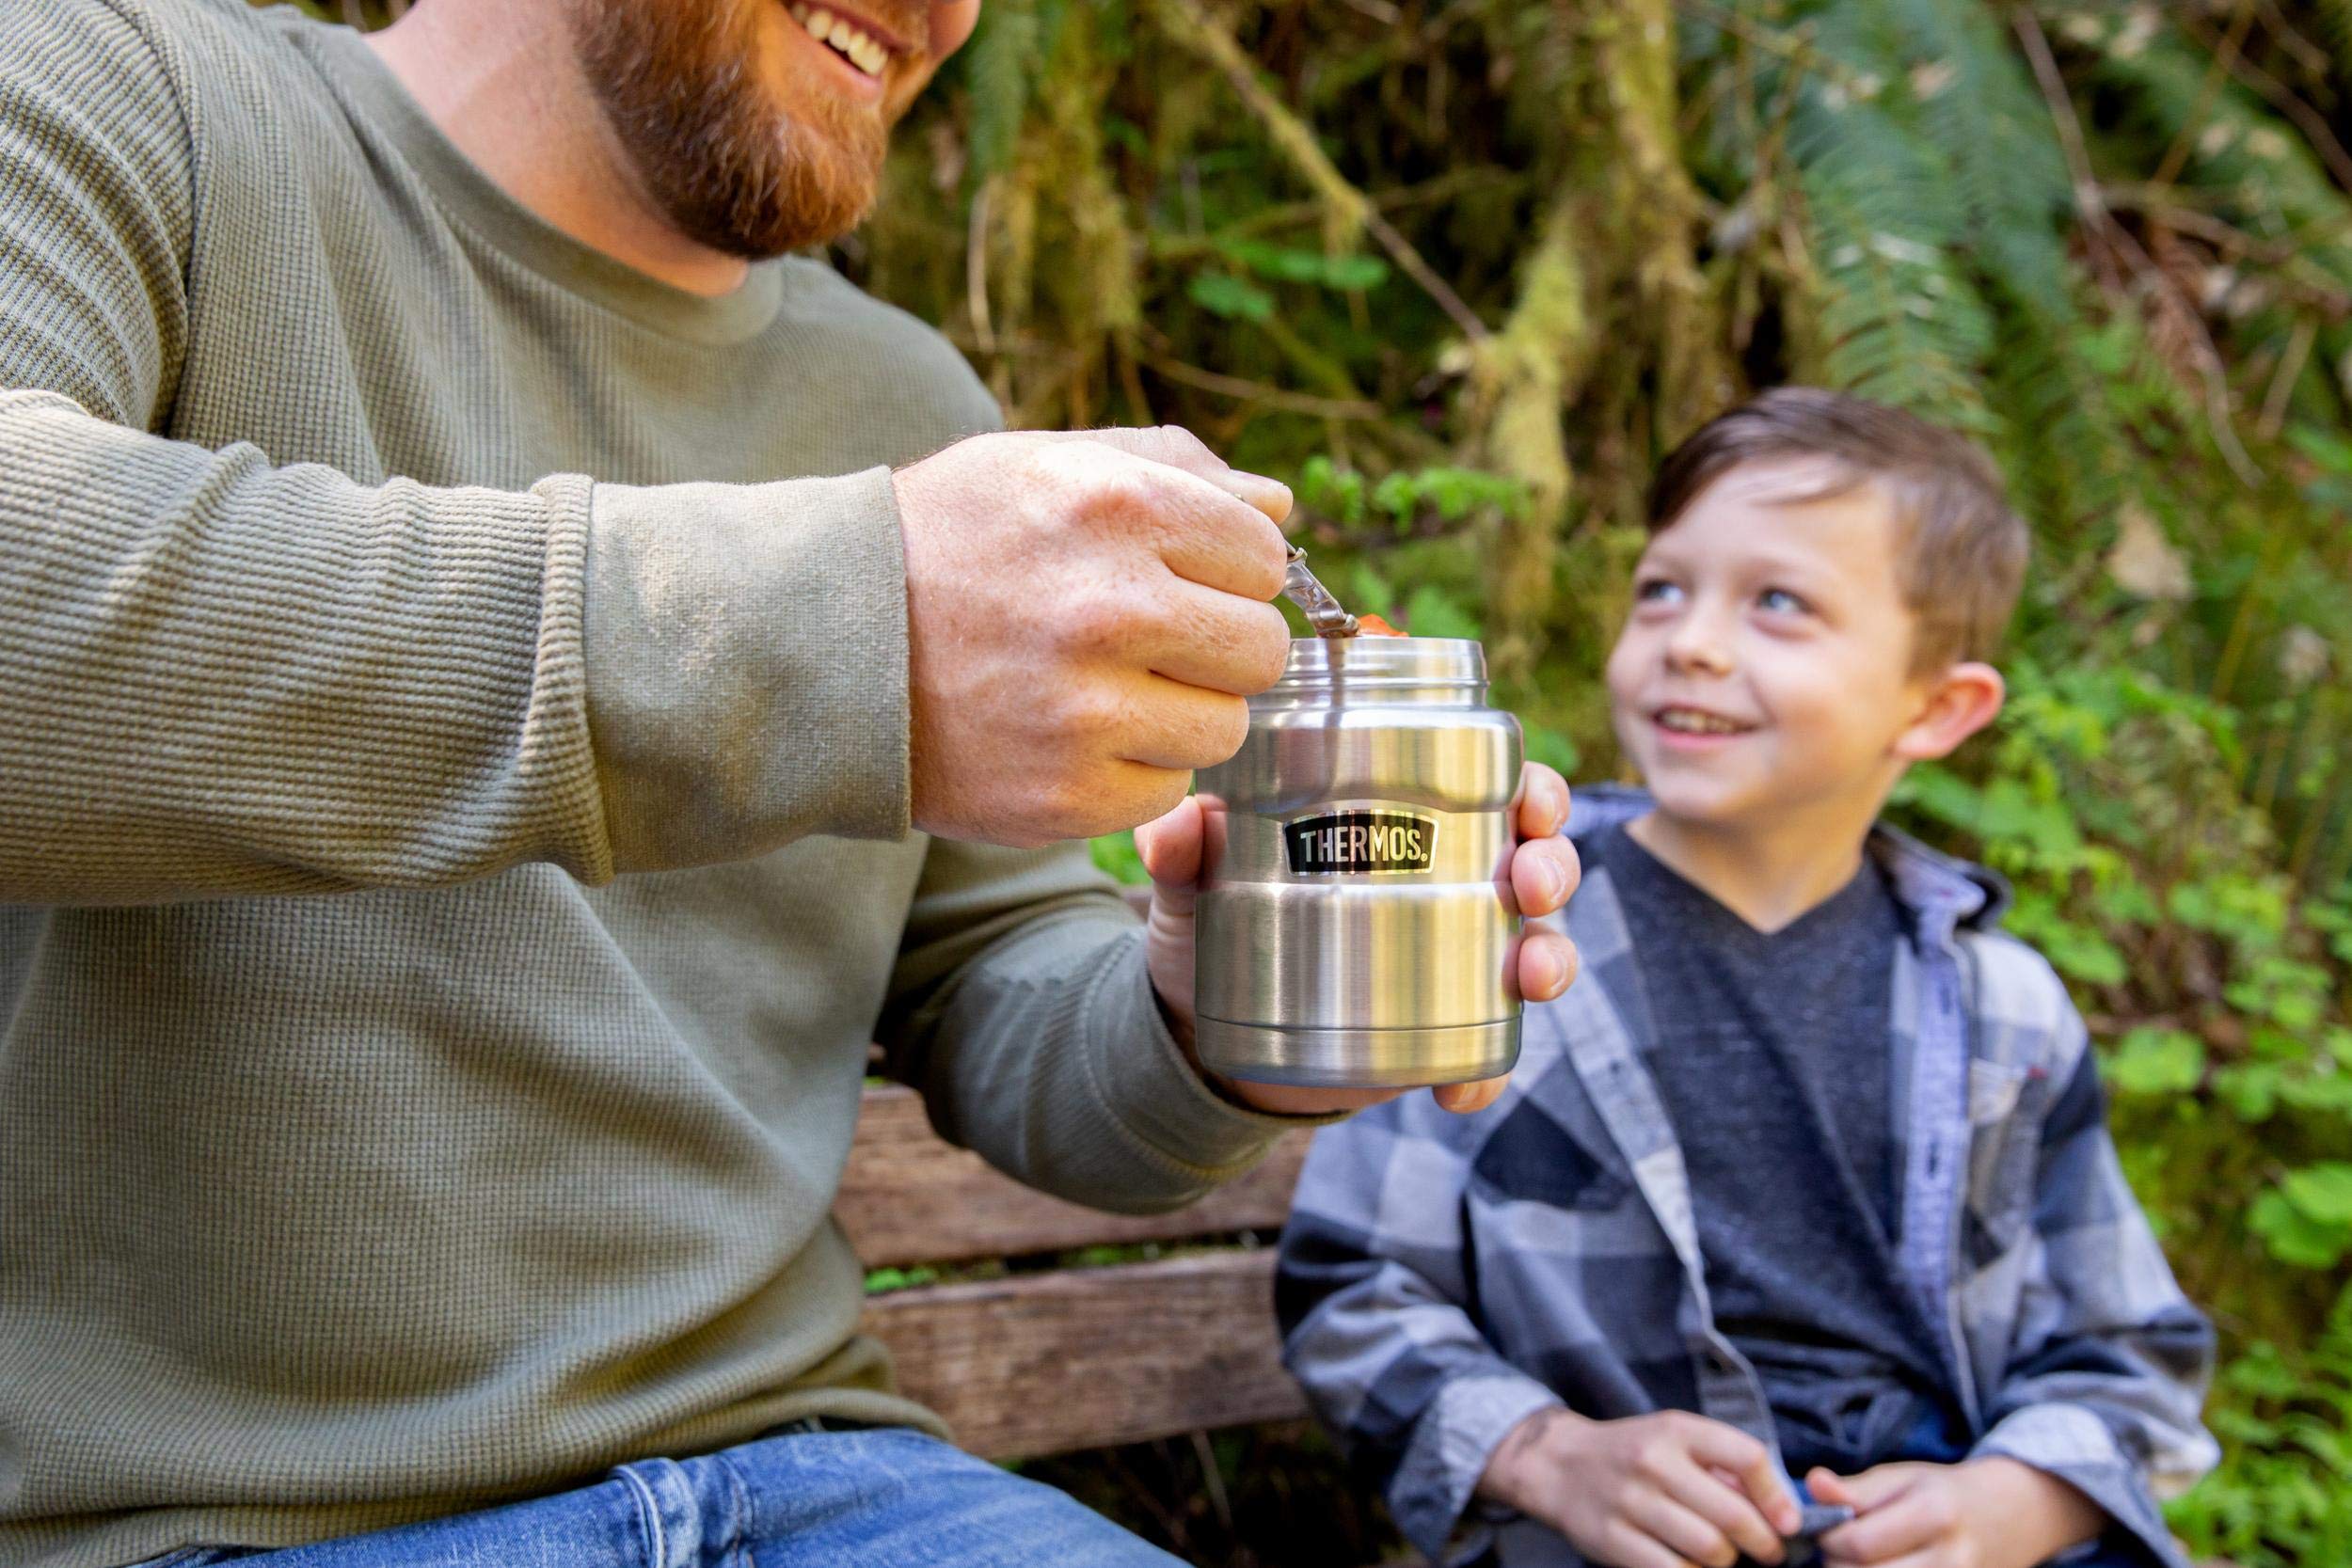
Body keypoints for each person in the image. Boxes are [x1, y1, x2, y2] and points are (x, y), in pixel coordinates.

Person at [0, 1, 1587, 1564]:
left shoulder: (903, 400)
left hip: (822, 1480)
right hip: (202, 1523)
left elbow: (992, 984)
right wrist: (847, 620)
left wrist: (1217, 1020)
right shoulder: (121, 97)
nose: (945, 13)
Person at [1276, 389, 2217, 1568]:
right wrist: (1551, 1454)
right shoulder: (1494, 940)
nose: (1693, 640)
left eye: (1778, 602)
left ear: (1936, 707)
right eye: (1662, 587)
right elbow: (1348, 1285)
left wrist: (2016, 1501)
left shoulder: (2002, 1010)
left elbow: (2127, 1346)